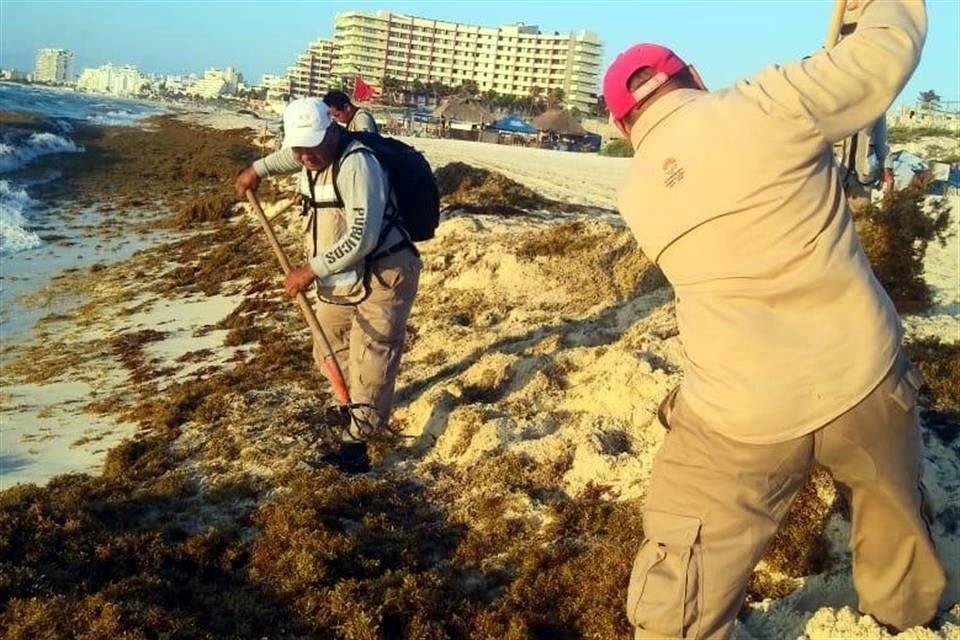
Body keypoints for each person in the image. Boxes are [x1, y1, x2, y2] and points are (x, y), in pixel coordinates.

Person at [603, 1, 944, 638]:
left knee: (685, 554)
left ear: (624, 127)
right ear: (695, 78)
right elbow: (881, 59)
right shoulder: (767, 102)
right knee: (895, 512)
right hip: (861, 375)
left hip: (742, 410)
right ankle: (906, 615)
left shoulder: (636, 193)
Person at [234, 97, 421, 473]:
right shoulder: (305, 152)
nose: (307, 156)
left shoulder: (358, 165)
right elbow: (287, 157)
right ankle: (359, 407)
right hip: (340, 276)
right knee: (328, 350)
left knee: (373, 359)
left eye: (314, 146)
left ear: (333, 130)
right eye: (300, 148)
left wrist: (308, 270)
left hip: (386, 270)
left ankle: (359, 445)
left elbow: (362, 238)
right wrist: (256, 170)